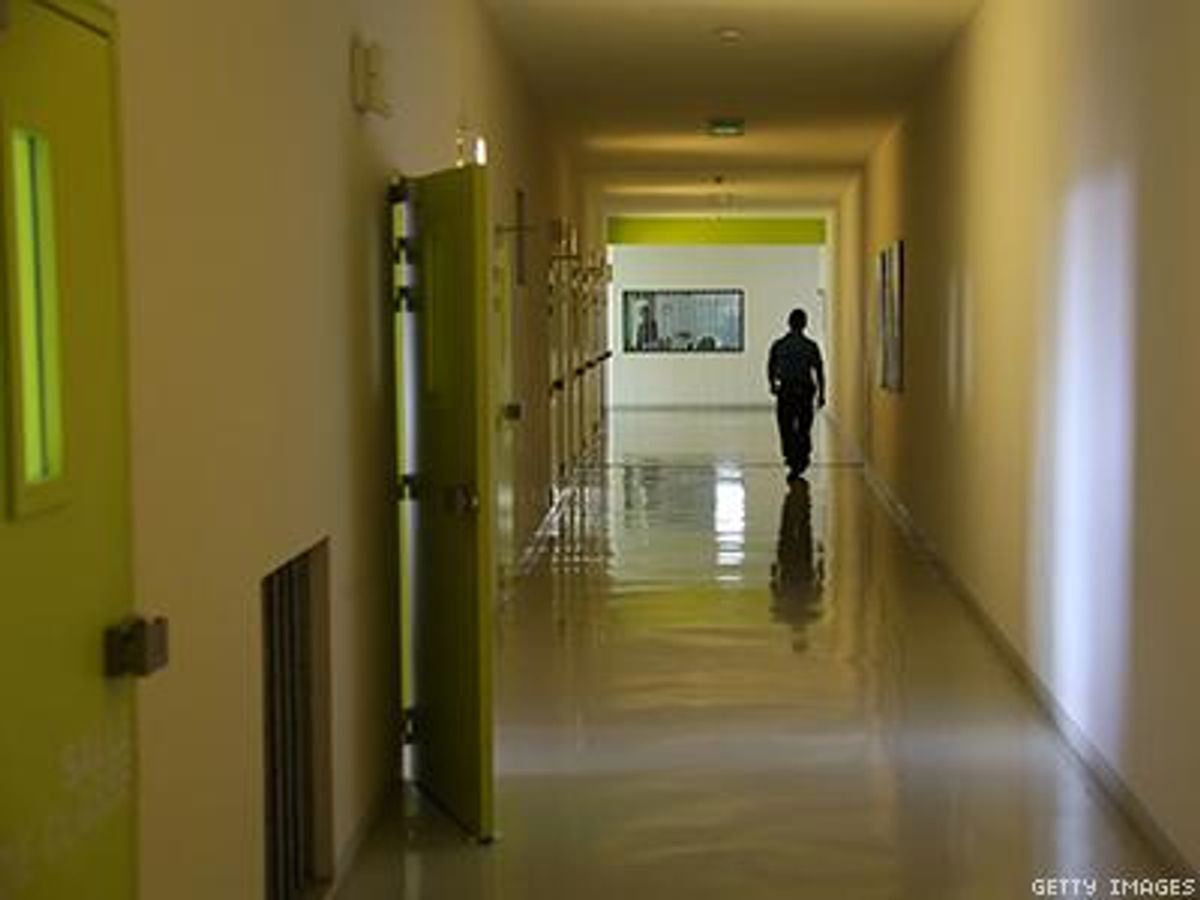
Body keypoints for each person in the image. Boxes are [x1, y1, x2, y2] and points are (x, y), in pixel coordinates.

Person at [767, 308, 825, 480]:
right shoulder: (811, 346)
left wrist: (772, 384)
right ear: (805, 324)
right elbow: (819, 371)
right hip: (805, 392)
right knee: (804, 428)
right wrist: (822, 394)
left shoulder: (779, 345)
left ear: (789, 323)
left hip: (786, 392)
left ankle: (792, 459)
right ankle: (801, 458)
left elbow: (770, 366)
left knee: (786, 427)